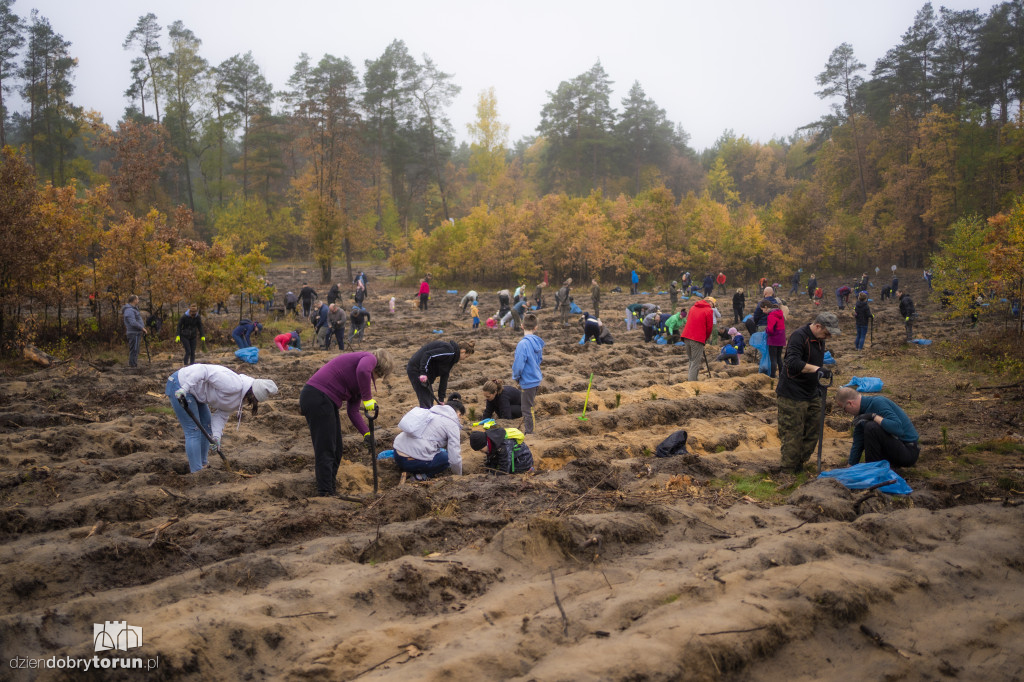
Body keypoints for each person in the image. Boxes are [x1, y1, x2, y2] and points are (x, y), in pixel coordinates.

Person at [300, 349, 393, 496]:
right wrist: (368, 399)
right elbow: (363, 370)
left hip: (325, 401)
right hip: (317, 396)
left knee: (337, 449)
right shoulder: (369, 358)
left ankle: (330, 489)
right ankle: (325, 492)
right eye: (378, 375)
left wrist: (366, 433)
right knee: (326, 448)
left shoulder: (359, 382)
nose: (375, 379)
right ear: (378, 368)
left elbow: (353, 412)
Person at [167, 364, 278, 473]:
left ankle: (203, 465)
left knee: (207, 427)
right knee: (193, 430)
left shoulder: (240, 400)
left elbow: (221, 416)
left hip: (197, 393)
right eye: (253, 399)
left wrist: (216, 437)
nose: (250, 402)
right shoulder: (233, 384)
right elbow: (203, 370)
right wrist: (185, 388)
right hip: (181, 383)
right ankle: (196, 471)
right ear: (251, 392)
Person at [776, 312, 840, 473]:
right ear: (818, 326)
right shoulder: (799, 336)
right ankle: (788, 470)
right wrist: (818, 369)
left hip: (812, 391)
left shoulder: (820, 339)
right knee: (793, 432)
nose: (828, 337)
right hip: (792, 393)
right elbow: (792, 362)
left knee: (814, 429)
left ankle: (800, 463)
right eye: (826, 333)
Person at [836, 387, 920, 468]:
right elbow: (858, 443)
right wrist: (850, 467)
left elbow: (898, 429)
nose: (846, 412)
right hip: (894, 450)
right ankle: (874, 468)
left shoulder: (878, 402)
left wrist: (873, 417)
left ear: (850, 403)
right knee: (869, 427)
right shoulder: (861, 416)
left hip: (908, 451)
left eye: (844, 409)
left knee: (871, 427)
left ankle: (873, 470)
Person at [393, 397, 467, 480]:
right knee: (446, 458)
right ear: (459, 414)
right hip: (412, 463)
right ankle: (420, 477)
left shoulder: (429, 413)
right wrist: (458, 476)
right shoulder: (452, 425)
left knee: (439, 452)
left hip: (397, 455)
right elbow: (454, 458)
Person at [408, 339, 475, 409]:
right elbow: (428, 355)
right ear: (463, 351)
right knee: (426, 401)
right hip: (416, 368)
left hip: (423, 372)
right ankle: (424, 418)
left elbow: (444, 378)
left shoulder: (452, 359)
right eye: (466, 356)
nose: (464, 359)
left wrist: (441, 399)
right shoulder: (449, 351)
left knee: (430, 399)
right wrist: (423, 373)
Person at [512, 313, 544, 434]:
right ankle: (530, 430)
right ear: (536, 327)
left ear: (521, 326)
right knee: (528, 406)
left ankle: (530, 433)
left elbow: (519, 364)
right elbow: (539, 360)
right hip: (535, 378)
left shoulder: (522, 344)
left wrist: (516, 377)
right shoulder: (537, 343)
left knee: (526, 409)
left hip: (528, 380)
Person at [469, 427, 534, 475]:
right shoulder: (490, 439)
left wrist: (494, 475)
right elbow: (491, 457)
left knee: (508, 474)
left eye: (480, 449)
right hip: (512, 457)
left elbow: (505, 469)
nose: (481, 451)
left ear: (484, 443)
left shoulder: (503, 445)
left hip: (523, 461)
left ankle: (527, 470)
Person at [681, 296, 715, 381]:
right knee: (695, 362)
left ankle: (693, 380)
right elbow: (709, 327)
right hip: (697, 338)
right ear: (710, 303)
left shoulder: (693, 307)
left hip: (686, 336)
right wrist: (705, 338)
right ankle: (692, 383)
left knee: (691, 360)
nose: (712, 307)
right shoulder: (708, 310)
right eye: (713, 305)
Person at [122, 294, 147, 368]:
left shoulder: (133, 309)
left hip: (136, 332)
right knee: (134, 349)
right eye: (137, 299)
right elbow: (133, 322)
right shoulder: (129, 310)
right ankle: (133, 365)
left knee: (136, 349)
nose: (138, 301)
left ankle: (133, 364)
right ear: (134, 300)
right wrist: (142, 328)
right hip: (134, 333)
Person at [765, 300, 786, 379]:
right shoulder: (780, 315)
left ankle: (772, 376)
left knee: (773, 359)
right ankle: (781, 374)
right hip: (781, 339)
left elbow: (770, 330)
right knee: (779, 358)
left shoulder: (771, 315)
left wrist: (766, 330)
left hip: (773, 340)